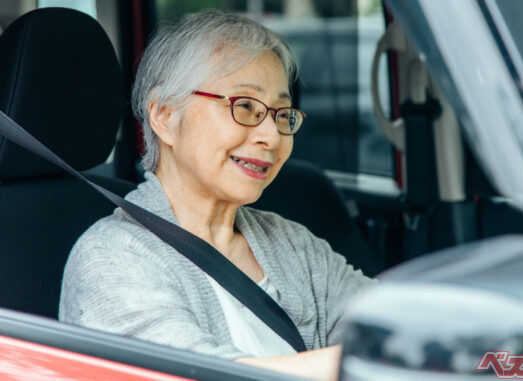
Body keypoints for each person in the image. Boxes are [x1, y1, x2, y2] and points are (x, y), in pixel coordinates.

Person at [59, 9, 374, 381]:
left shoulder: (291, 242)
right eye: (245, 106)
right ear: (164, 116)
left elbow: (386, 323)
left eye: (281, 113)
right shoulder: (109, 258)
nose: (271, 137)